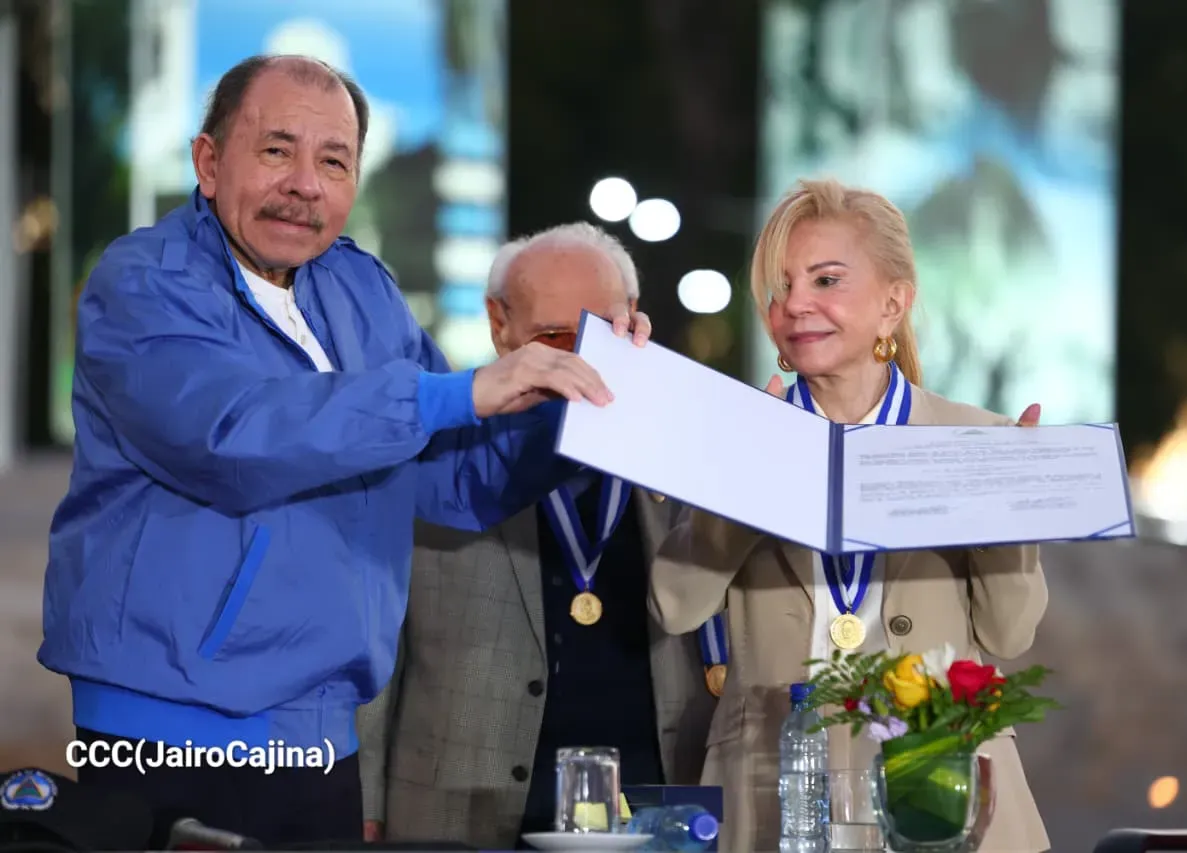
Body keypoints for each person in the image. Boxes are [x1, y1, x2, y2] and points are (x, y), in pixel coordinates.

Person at [37, 55, 649, 849]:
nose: (305, 183)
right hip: (171, 726)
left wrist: (600, 405)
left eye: (333, 161)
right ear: (209, 162)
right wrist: (459, 391)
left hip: (326, 733)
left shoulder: (364, 292)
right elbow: (232, 434)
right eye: (276, 151)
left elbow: (460, 476)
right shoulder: (143, 281)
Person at [647, 179, 1051, 852]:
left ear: (894, 302)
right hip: (772, 791)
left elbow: (1011, 633)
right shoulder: (738, 437)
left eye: (825, 279)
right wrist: (751, 475)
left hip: (939, 790)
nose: (795, 304)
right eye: (779, 289)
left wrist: (1010, 508)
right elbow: (676, 605)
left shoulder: (976, 437)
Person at [356, 223, 718, 849]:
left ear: (633, 320)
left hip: (662, 814)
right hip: (463, 815)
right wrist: (362, 802)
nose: (576, 360)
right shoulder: (436, 453)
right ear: (499, 324)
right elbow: (376, 647)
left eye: (600, 333)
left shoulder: (685, 455)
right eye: (552, 336)